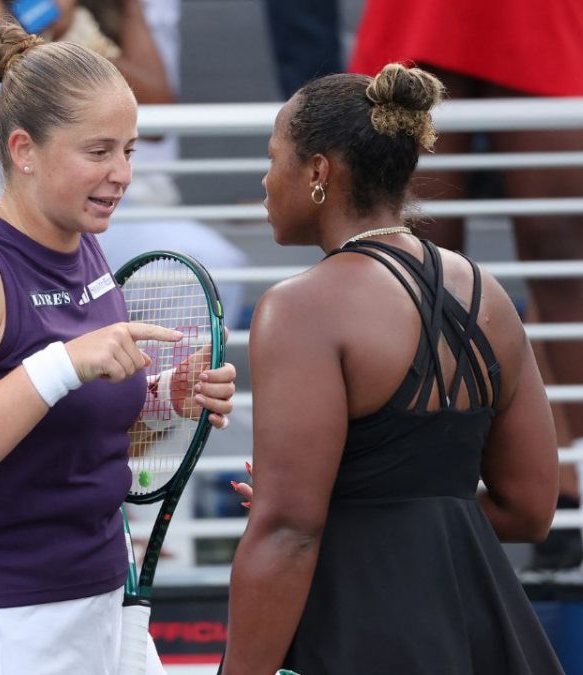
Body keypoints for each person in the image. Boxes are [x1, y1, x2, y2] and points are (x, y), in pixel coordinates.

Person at [0, 20, 236, 674]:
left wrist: (161, 400)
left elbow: (71, 431)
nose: (120, 174)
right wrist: (63, 364)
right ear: (24, 149)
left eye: (130, 151)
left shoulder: (86, 245)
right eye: (98, 152)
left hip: (95, 602)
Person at [222, 64, 562, 673]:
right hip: (479, 627)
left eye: (274, 159)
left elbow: (287, 533)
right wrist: (367, 507)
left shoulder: (300, 308)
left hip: (359, 629)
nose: (268, 180)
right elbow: (531, 508)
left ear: (319, 171)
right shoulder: (486, 292)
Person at [347, 0, 583, 570]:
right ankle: (423, 484)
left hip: (536, 16)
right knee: (421, 251)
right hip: (421, 14)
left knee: (560, 242)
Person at [0, 0, 248, 323]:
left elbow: (154, 118)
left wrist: (75, 41)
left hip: (86, 181)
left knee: (212, 261)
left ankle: (149, 391)